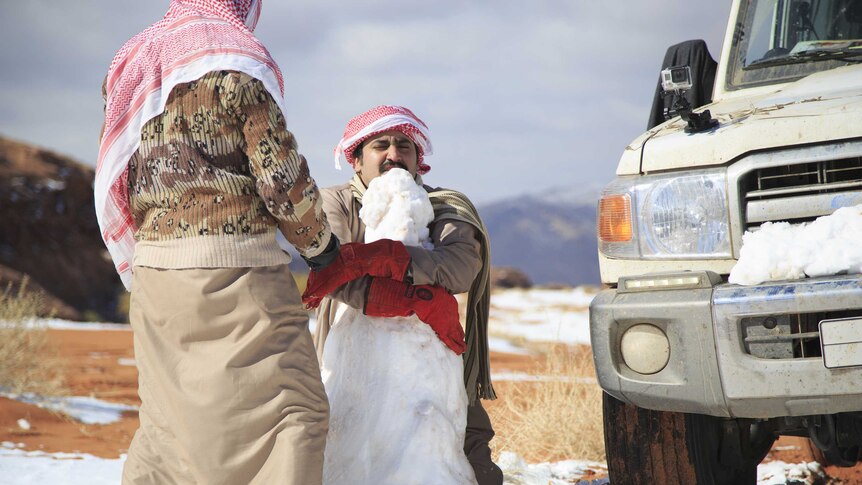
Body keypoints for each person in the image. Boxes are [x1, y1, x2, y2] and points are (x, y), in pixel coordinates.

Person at [95, 2, 408, 484]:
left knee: (172, 430)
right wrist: (321, 249)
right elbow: (280, 178)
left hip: (155, 275)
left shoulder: (137, 58)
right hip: (237, 271)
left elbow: (119, 167)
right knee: (294, 415)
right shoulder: (235, 59)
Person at [303, 105, 504, 485]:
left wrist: (387, 258)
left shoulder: (444, 205)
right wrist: (419, 300)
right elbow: (333, 271)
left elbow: (460, 266)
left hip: (428, 351)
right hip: (348, 349)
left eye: (404, 146)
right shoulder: (334, 203)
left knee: (456, 438)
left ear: (418, 160)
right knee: (343, 440)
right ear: (357, 160)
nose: (394, 154)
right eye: (381, 145)